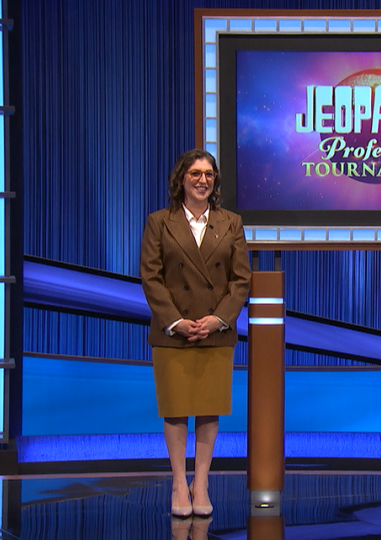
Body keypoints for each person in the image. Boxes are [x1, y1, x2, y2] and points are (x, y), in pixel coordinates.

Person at [140, 149, 251, 518]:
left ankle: (200, 482)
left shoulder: (231, 222)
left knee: (207, 409)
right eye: (195, 173)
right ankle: (177, 481)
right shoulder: (159, 221)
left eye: (209, 174)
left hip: (214, 332)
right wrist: (175, 320)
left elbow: (241, 281)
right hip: (174, 332)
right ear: (181, 179)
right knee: (175, 410)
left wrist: (219, 319)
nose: (202, 180)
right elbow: (150, 277)